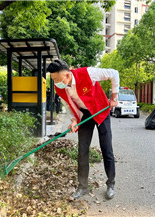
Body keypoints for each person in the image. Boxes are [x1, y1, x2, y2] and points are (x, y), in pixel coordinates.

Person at [47, 59, 119, 200]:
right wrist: (74, 120)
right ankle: (83, 187)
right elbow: (68, 105)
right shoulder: (59, 88)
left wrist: (114, 97)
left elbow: (114, 73)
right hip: (84, 114)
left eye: (56, 79)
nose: (55, 82)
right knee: (82, 150)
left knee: (106, 149)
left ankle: (111, 183)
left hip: (101, 110)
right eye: (53, 79)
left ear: (67, 75)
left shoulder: (88, 73)